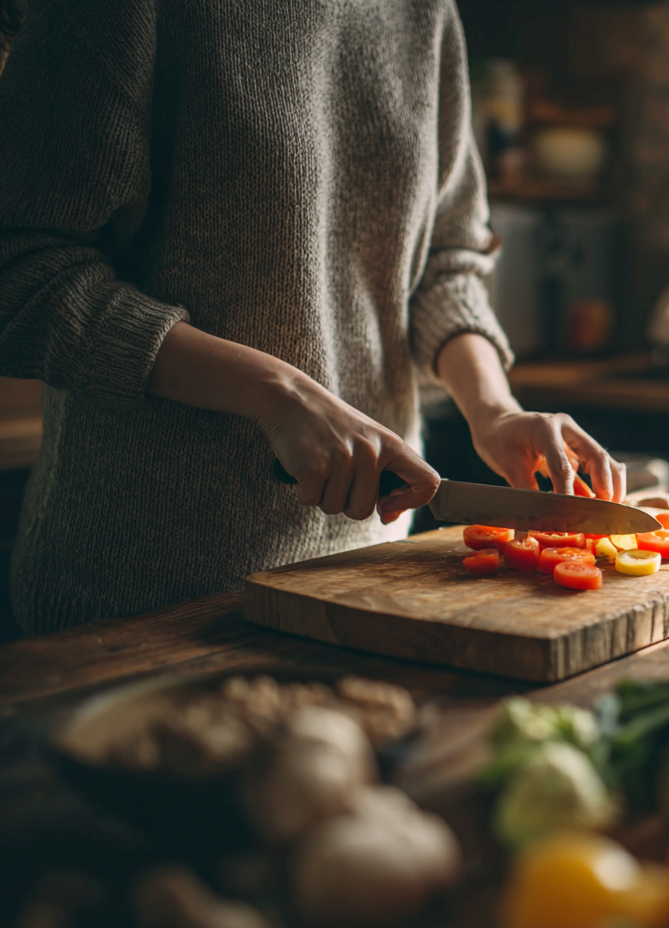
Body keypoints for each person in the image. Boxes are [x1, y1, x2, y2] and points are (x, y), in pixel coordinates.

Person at [0, 0, 624, 634]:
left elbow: (446, 262)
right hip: (145, 600)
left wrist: (494, 409)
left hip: (372, 579)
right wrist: (281, 394)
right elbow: (22, 267)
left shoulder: (425, 14)